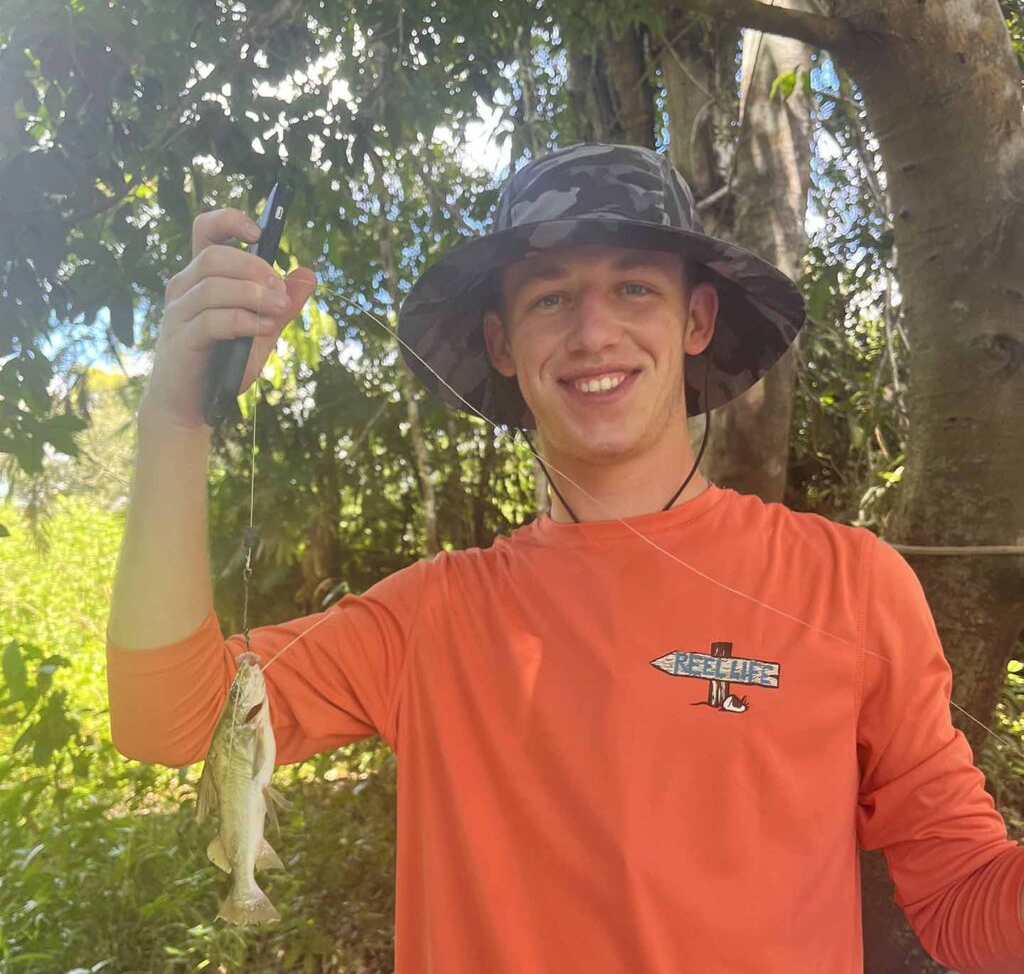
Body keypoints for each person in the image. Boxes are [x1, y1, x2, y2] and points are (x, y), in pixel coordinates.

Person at [106, 143, 1024, 972]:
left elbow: (962, 895)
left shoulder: (850, 584)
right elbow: (170, 721)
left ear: (697, 320)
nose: (593, 332)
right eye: (550, 295)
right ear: (503, 344)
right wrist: (176, 419)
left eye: (635, 288)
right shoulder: (432, 617)